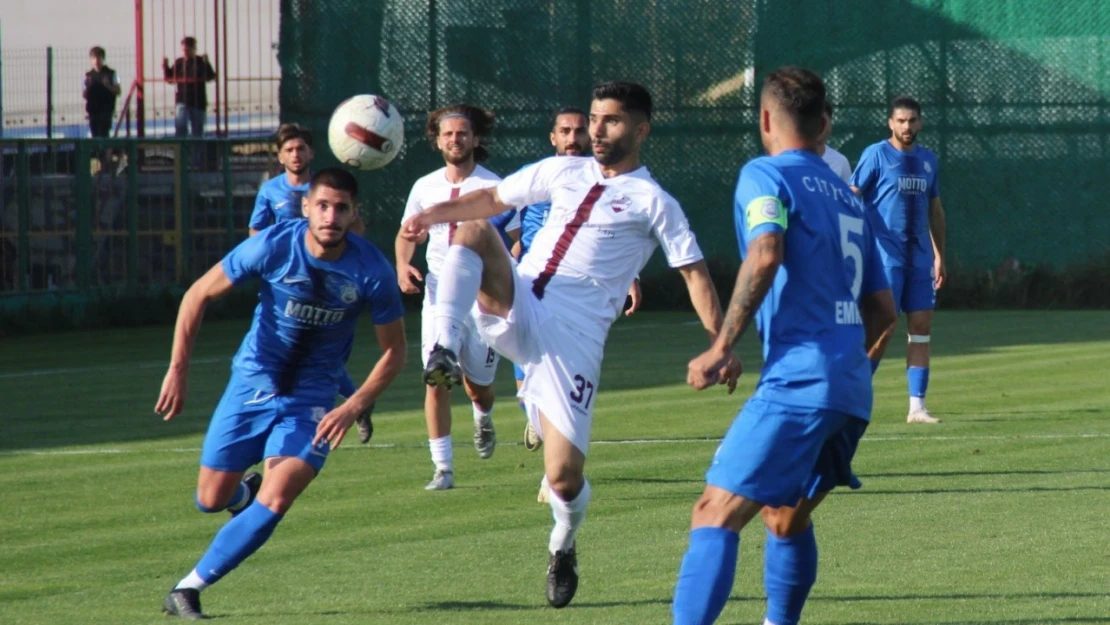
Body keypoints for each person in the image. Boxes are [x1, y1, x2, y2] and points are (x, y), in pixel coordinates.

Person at [401, 81, 738, 609]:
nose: (597, 130)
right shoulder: (561, 170)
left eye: (611, 121)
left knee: (562, 477)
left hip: (572, 341)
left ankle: (563, 544)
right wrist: (429, 217)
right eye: (594, 119)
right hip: (519, 298)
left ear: (641, 129)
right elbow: (492, 198)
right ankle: (443, 347)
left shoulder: (656, 203)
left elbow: (694, 274)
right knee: (470, 228)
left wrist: (721, 344)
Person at [669, 66, 897, 625]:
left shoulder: (765, 175)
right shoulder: (849, 198)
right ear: (824, 124)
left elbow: (765, 253)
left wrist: (722, 344)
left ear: (766, 119)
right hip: (849, 384)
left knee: (714, 513)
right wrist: (848, 367)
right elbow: (884, 311)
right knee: (784, 518)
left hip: (800, 378)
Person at [155, 168, 406, 620]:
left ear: (354, 214)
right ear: (306, 206)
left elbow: (395, 352)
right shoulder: (273, 245)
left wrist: (353, 405)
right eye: (323, 205)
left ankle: (187, 589)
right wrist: (178, 370)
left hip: (312, 400)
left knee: (280, 494)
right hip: (251, 385)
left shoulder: (372, 270)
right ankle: (239, 498)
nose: (331, 216)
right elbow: (196, 295)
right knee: (210, 500)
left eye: (342, 208)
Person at [395, 103, 520, 491]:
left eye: (462, 133)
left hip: (481, 299)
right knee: (436, 378)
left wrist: (503, 278)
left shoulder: (493, 186)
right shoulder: (424, 187)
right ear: (437, 141)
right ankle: (443, 469)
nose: (455, 139)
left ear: (475, 138)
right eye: (447, 134)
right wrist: (403, 264)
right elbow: (406, 233)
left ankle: (483, 416)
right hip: (436, 295)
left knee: (478, 385)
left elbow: (516, 241)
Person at [248, 124, 376, 443]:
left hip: (324, 281)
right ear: (279, 156)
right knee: (304, 349)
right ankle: (356, 400)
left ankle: (342, 403)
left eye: (301, 148)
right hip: (286, 282)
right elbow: (256, 232)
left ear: (311, 153)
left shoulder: (325, 189)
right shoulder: (270, 190)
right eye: (289, 150)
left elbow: (356, 227)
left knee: (313, 348)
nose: (296, 154)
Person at [851, 96, 948, 424]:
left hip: (920, 260)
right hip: (883, 258)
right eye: (900, 121)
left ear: (920, 123)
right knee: (883, 327)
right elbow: (852, 196)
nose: (907, 126)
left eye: (912, 120)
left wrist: (939, 256)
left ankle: (916, 407)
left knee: (921, 329)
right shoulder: (876, 155)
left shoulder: (928, 160)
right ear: (890, 123)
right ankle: (853, 396)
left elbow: (935, 209)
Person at [163, 36, 217, 138]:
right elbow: (170, 79)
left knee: (198, 132)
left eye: (188, 50)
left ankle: (196, 154)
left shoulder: (200, 61)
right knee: (181, 127)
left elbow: (210, 76)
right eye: (184, 50)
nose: (185, 52)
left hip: (198, 102)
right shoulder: (179, 62)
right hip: (183, 101)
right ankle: (183, 152)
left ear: (193, 49)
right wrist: (165, 67)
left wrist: (207, 63)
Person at [83, 46, 120, 139]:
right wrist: (89, 87)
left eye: (99, 57)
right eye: (93, 58)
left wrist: (108, 85)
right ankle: (97, 153)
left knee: (104, 134)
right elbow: (84, 95)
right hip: (93, 111)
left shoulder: (112, 74)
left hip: (106, 110)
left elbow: (118, 91)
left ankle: (105, 153)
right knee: (94, 134)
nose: (96, 61)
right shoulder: (88, 76)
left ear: (103, 59)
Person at [818, 101, 851, 183]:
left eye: (823, 121)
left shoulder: (840, 161)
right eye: (814, 121)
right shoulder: (788, 161)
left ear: (830, 127)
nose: (819, 126)